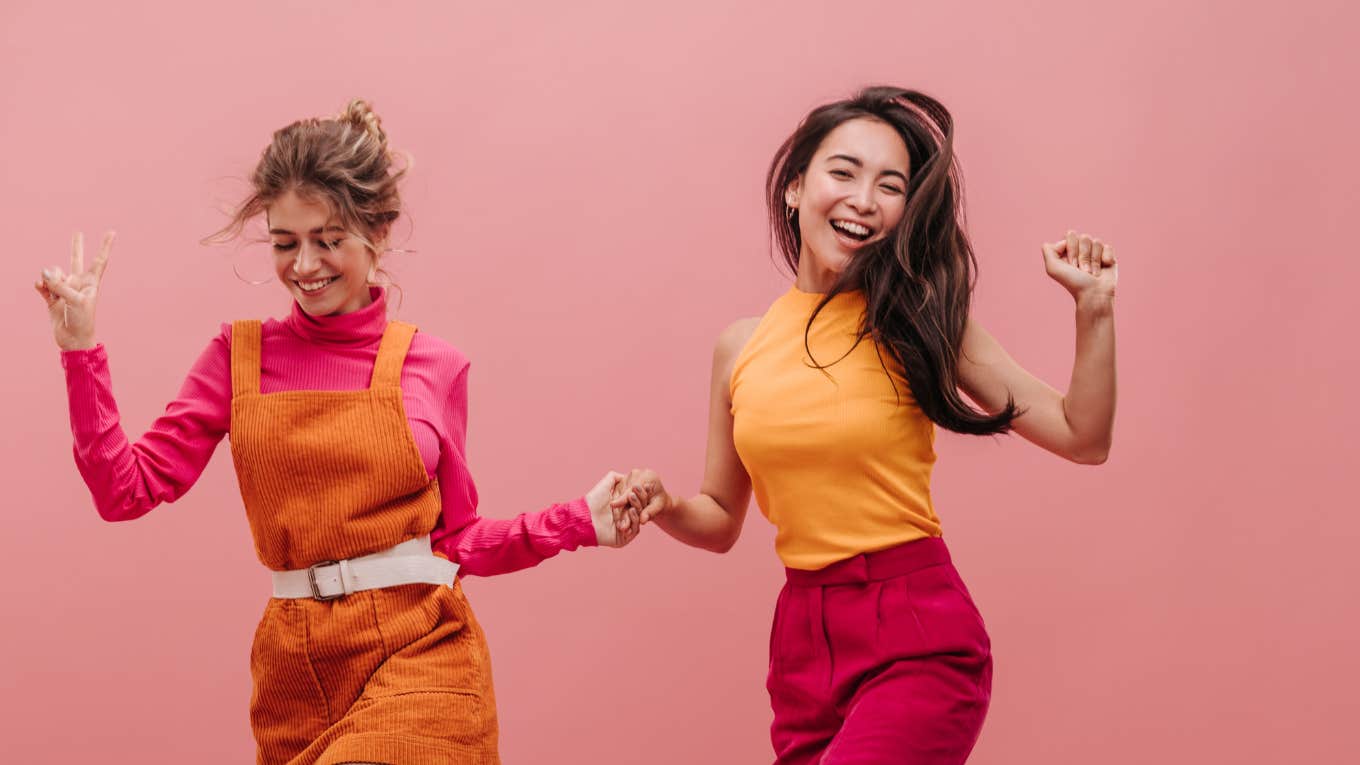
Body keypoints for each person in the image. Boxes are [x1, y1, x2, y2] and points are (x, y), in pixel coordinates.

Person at [36, 99, 641, 765]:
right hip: (294, 673)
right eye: (285, 242)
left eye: (328, 240)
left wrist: (580, 520)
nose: (305, 265)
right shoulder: (236, 358)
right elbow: (126, 491)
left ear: (377, 231)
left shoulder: (432, 366)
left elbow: (457, 538)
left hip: (422, 653)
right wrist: (80, 351)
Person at [613, 86, 1119, 764]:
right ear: (795, 187)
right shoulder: (741, 345)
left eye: (889, 185)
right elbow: (721, 518)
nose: (863, 199)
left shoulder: (919, 323)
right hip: (801, 645)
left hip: (916, 632)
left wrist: (1095, 309)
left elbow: (1082, 436)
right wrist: (664, 504)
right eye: (843, 172)